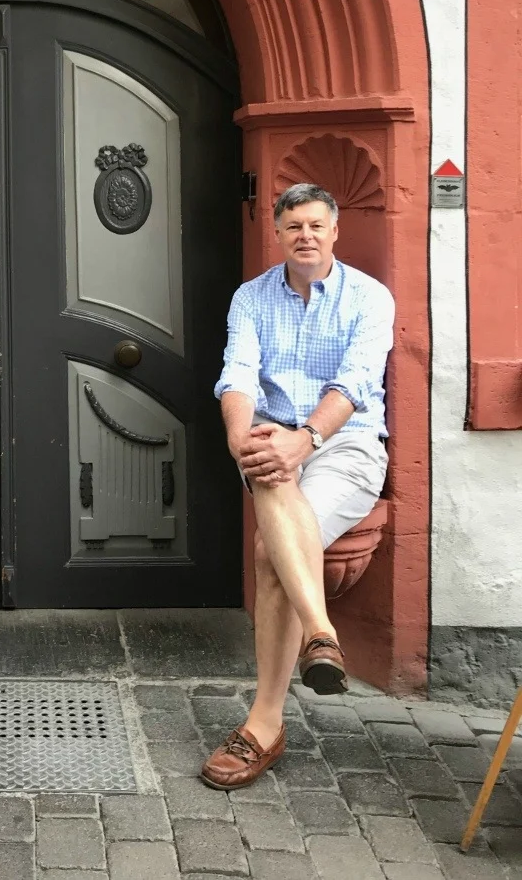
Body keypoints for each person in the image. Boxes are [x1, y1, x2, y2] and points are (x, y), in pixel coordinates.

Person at [202, 182, 394, 789]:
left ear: (334, 231)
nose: (305, 236)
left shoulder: (369, 297)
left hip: (347, 443)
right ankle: (321, 635)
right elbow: (238, 374)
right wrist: (240, 439)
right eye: (293, 227)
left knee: (270, 552)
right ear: (278, 234)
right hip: (268, 440)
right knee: (267, 457)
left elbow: (356, 382)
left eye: (315, 225)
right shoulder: (251, 297)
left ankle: (264, 723)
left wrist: (305, 438)